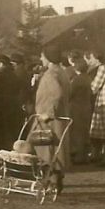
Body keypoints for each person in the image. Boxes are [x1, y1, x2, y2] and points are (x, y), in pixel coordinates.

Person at [35, 47, 71, 191]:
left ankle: (50, 181)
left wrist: (48, 114)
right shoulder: (61, 72)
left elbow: (57, 94)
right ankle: (56, 179)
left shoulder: (51, 74)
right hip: (60, 117)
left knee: (46, 149)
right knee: (57, 149)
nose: (41, 59)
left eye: (42, 57)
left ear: (49, 59)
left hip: (50, 120)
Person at [0, 54, 23, 154]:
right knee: (11, 134)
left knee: (1, 135)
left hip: (0, 109)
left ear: (1, 63)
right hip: (13, 107)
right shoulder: (14, 75)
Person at [67, 57, 94, 164]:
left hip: (76, 107)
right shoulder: (88, 78)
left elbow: (70, 93)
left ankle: (78, 156)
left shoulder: (77, 80)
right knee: (85, 131)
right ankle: (85, 155)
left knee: (77, 132)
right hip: (87, 106)